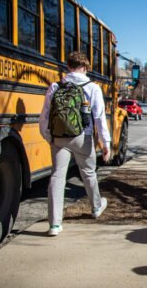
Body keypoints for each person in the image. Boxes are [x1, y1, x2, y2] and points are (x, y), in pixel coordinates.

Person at [38, 51, 110, 236]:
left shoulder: (55, 86)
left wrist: (48, 136)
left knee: (57, 177)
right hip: (83, 137)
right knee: (88, 173)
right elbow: (99, 117)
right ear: (85, 67)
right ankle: (96, 207)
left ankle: (54, 224)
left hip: (59, 137)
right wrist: (105, 143)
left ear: (68, 67)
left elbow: (45, 115)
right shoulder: (92, 87)